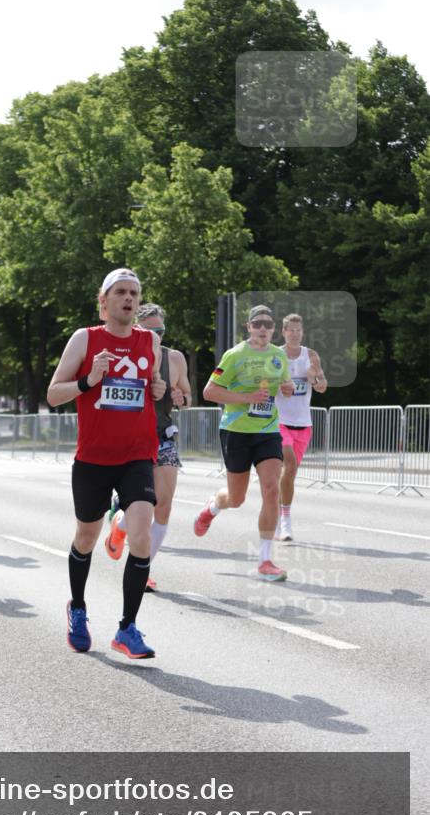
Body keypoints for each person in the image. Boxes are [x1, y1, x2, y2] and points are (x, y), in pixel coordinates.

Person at [47, 268, 166, 659]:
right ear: (104, 301)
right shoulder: (86, 339)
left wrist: (159, 388)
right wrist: (88, 380)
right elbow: (53, 394)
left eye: (134, 292)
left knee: (142, 534)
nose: (128, 299)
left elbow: (153, 386)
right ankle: (77, 608)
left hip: (137, 455)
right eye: (120, 292)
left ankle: (126, 629)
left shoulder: (150, 341)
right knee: (86, 537)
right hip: (94, 459)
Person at [193, 305, 294, 582]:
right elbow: (209, 391)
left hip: (267, 430)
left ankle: (265, 561)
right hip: (236, 431)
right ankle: (212, 507)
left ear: (274, 329)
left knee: (272, 489)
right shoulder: (235, 355)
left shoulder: (278, 355)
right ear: (249, 327)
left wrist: (288, 388)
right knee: (236, 499)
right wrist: (247, 398)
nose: (263, 328)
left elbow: (285, 385)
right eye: (258, 323)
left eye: (268, 324)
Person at [104, 303, 191, 591]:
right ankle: (119, 525)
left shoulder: (174, 359)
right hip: (131, 439)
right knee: (140, 507)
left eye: (161, 330)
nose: (158, 336)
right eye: (151, 330)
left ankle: (143, 569)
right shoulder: (124, 354)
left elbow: (189, 397)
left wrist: (181, 397)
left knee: (163, 507)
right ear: (138, 328)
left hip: (163, 436)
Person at [275, 313, 327, 540]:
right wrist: (280, 383)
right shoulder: (276, 355)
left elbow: (323, 387)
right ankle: (285, 522)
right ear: (284, 332)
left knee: (290, 473)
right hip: (279, 421)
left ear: (302, 332)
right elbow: (264, 384)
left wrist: (313, 378)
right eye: (291, 330)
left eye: (299, 330)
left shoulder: (311, 356)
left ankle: (279, 515)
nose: (295, 334)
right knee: (290, 464)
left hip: (303, 423)